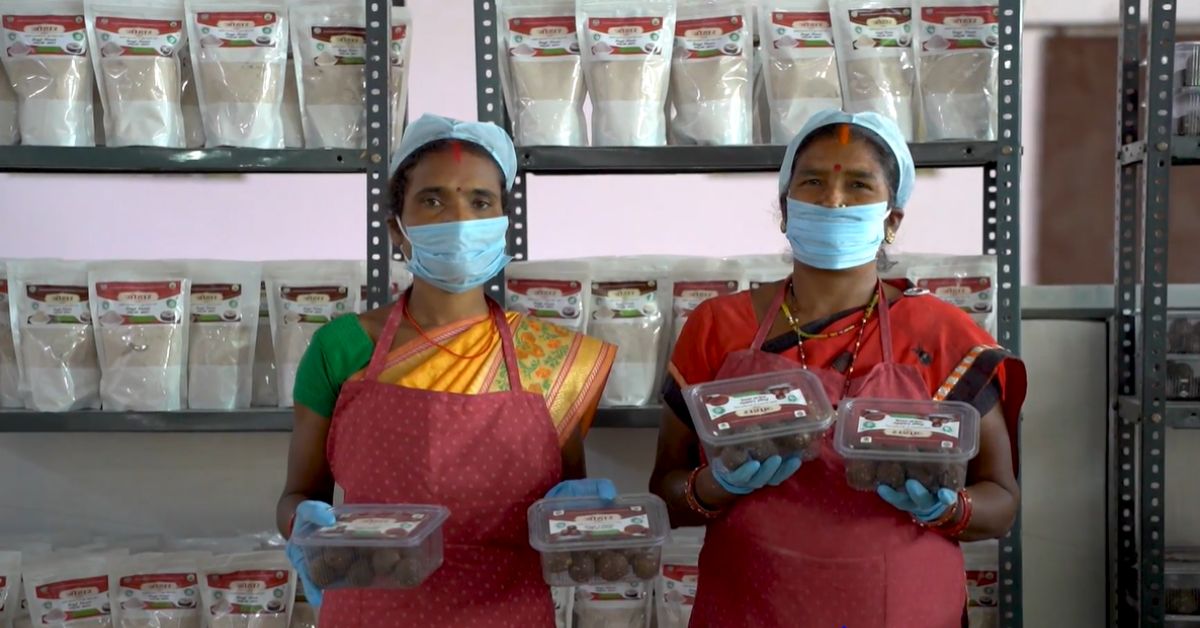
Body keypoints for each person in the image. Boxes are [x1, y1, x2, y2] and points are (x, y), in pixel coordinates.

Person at [649, 110, 1028, 627]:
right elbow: (666, 489)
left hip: (901, 609)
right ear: (785, 209)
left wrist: (948, 507)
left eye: (858, 184)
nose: (833, 200)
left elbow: (1001, 502)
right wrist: (713, 487)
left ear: (892, 220)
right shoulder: (719, 326)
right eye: (812, 181)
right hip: (752, 607)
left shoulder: (943, 335)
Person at [277, 114, 618, 627]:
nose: (458, 218)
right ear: (397, 228)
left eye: (480, 202)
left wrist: (580, 515)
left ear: (503, 221)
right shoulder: (342, 348)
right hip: (371, 612)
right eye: (432, 200)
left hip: (507, 614)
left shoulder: (552, 357)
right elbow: (298, 494)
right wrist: (302, 526)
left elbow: (564, 516)